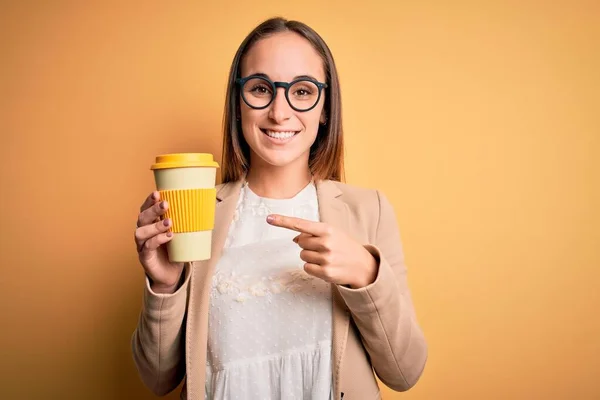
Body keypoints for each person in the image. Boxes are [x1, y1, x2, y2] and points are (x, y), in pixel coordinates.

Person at [131, 17, 427, 400]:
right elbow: (157, 379)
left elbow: (405, 371)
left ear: (325, 108)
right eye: (260, 89)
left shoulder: (369, 210)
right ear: (238, 104)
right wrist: (165, 285)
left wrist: (366, 274)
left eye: (302, 91)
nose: (279, 112)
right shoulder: (198, 211)